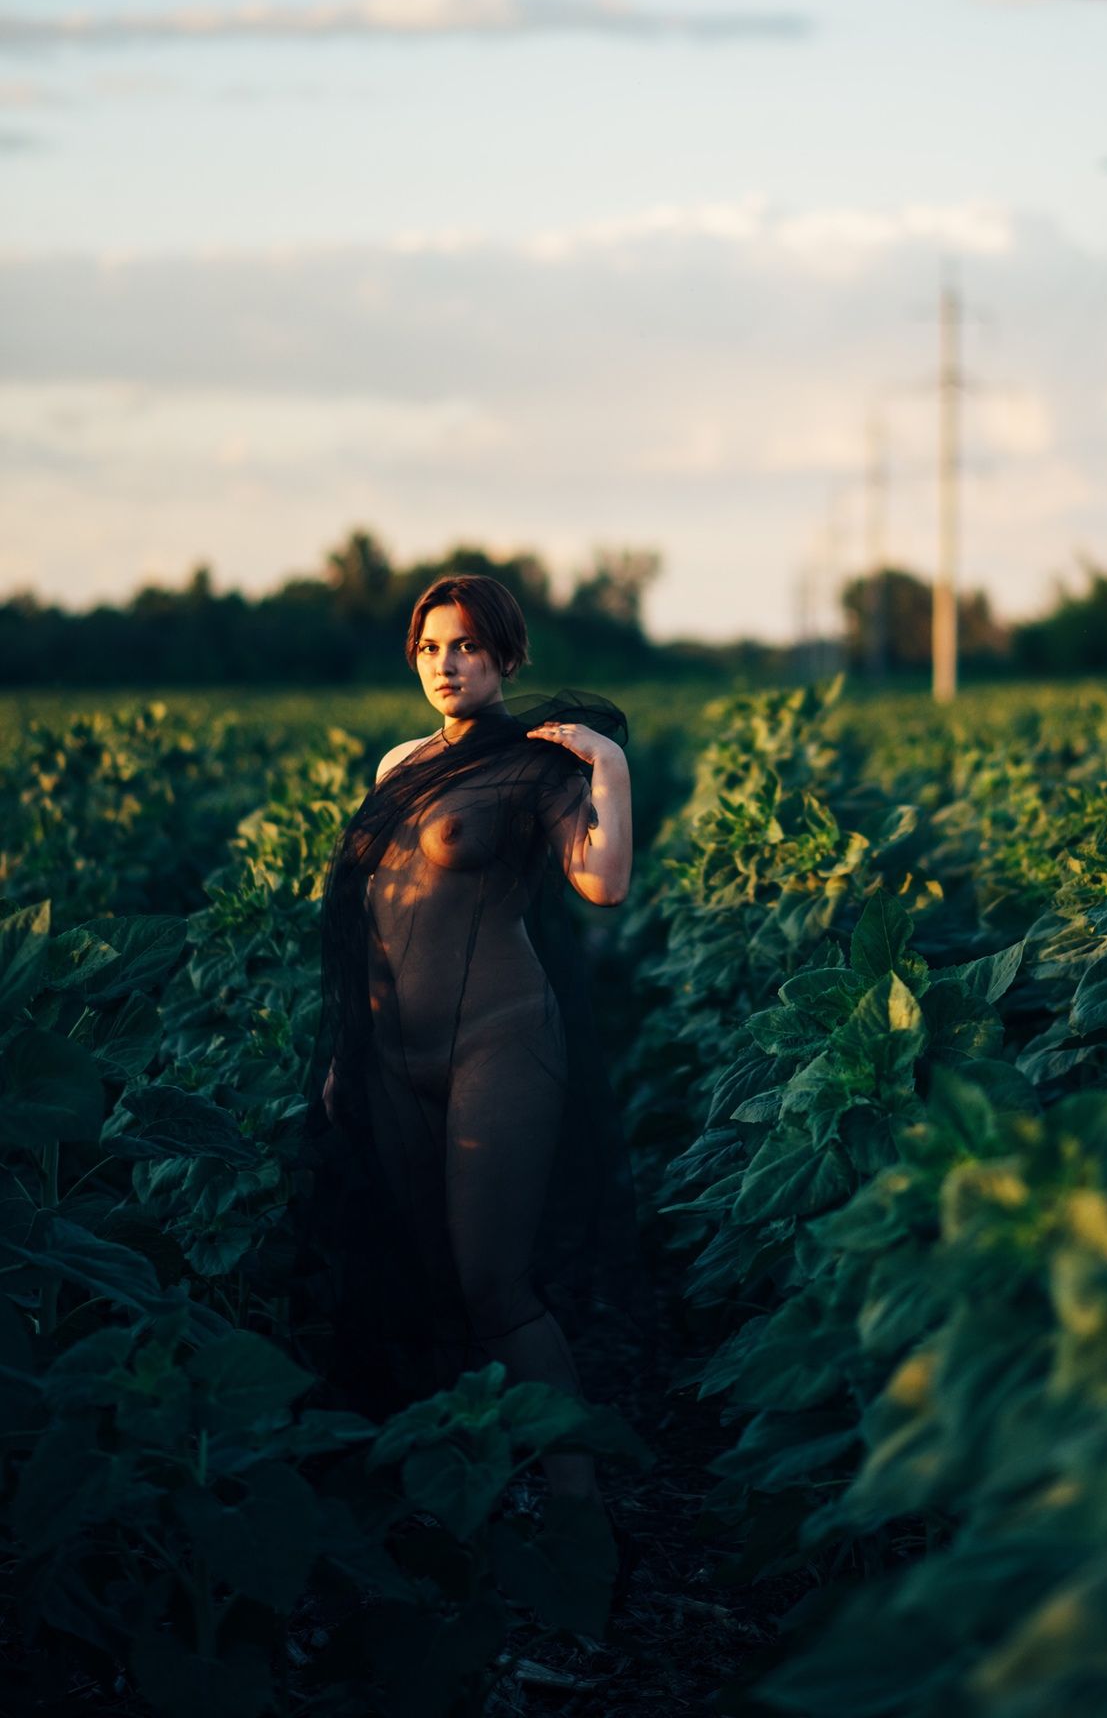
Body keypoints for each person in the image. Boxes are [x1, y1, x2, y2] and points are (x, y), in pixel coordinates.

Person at [291, 571, 652, 1533]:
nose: (445, 665)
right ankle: (455, 1498)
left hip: (500, 1041)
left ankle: (577, 1509)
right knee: (421, 1278)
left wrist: (608, 765)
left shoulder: (539, 766)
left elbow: (605, 884)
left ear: (505, 655)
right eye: (429, 647)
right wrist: (347, 1054)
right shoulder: (399, 764)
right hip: (389, 1056)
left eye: (466, 646)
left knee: (493, 1284)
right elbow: (373, 917)